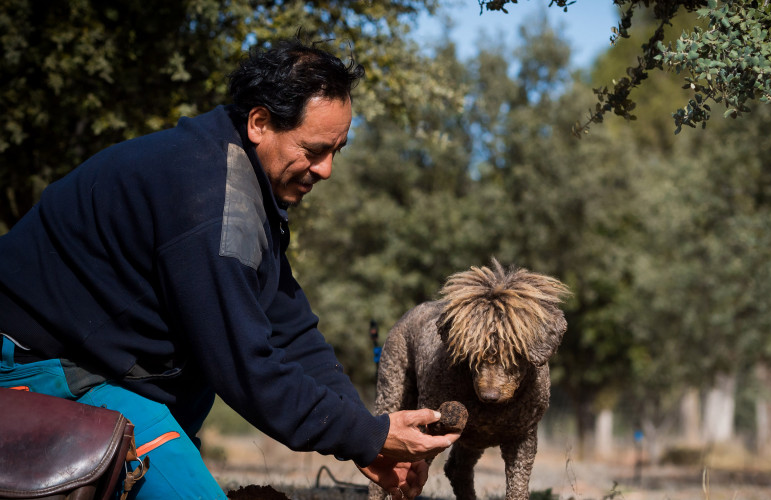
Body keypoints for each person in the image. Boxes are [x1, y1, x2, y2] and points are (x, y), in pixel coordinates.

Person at [0, 39, 458, 499]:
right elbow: (248, 370)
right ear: (260, 123)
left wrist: (366, 436)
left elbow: (290, 329)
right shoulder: (212, 204)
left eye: (337, 149)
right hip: (36, 366)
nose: (327, 170)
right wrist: (371, 437)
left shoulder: (240, 174)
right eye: (315, 150)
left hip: (101, 360)